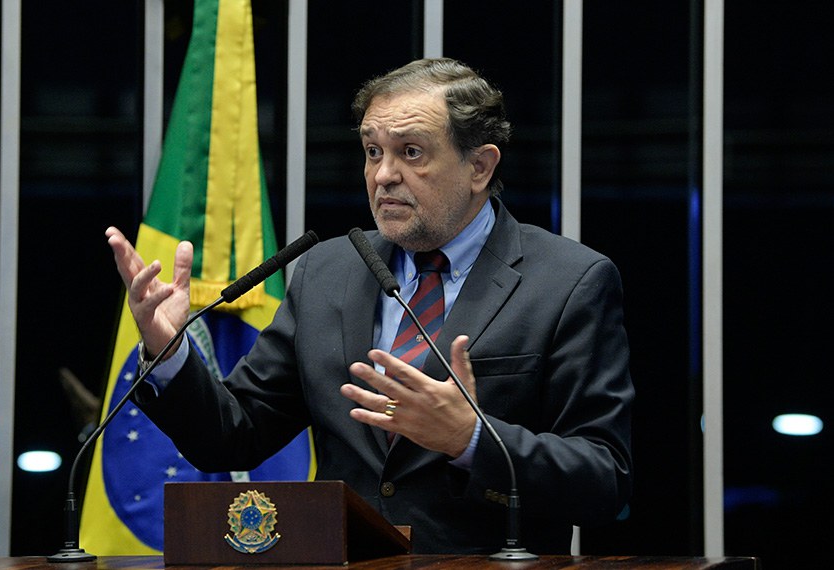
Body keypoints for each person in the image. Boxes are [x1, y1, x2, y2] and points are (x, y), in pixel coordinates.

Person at [105, 58, 634, 554]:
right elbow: (233, 436)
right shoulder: (327, 272)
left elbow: (604, 480)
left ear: (479, 166)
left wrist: (470, 439)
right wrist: (169, 350)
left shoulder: (568, 282)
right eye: (373, 151)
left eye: (411, 152)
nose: (382, 176)